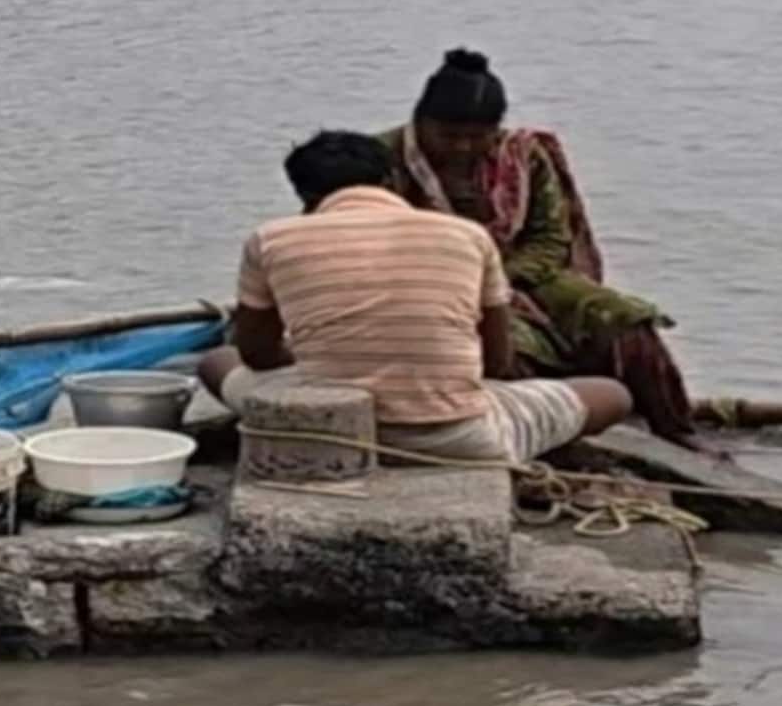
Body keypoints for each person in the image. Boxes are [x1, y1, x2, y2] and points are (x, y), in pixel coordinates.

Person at [198, 130, 631, 467]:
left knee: (217, 361)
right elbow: (496, 362)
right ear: (389, 180)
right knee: (610, 394)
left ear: (303, 195)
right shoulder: (466, 235)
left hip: (323, 430)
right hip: (462, 439)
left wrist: (308, 356)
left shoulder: (271, 239)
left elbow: (254, 353)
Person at [377, 48, 701, 447]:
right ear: (421, 123)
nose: (462, 148)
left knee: (623, 319)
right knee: (501, 345)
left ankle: (676, 430)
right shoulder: (381, 160)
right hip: (427, 281)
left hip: (522, 272)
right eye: (449, 136)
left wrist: (502, 280)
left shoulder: (525, 156)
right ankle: (538, 432)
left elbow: (550, 238)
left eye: (476, 137)